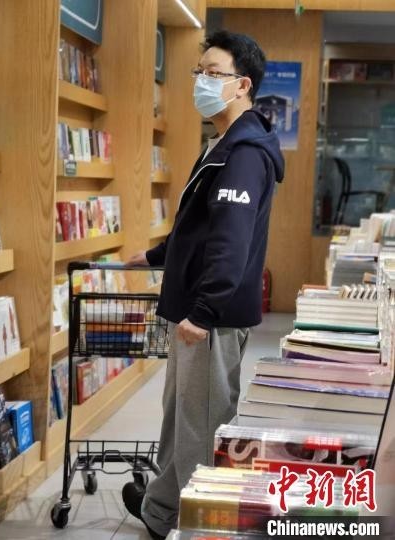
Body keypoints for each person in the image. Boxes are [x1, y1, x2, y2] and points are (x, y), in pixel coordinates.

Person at [124, 30, 284, 540]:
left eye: (212, 73)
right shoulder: (224, 144)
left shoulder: (244, 153)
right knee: (181, 417)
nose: (201, 81)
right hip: (194, 308)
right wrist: (155, 256)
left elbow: (230, 242)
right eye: (199, 72)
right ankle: (163, 512)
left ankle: (197, 528)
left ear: (242, 85)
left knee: (203, 425)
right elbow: (198, 227)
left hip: (209, 316)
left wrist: (204, 311)